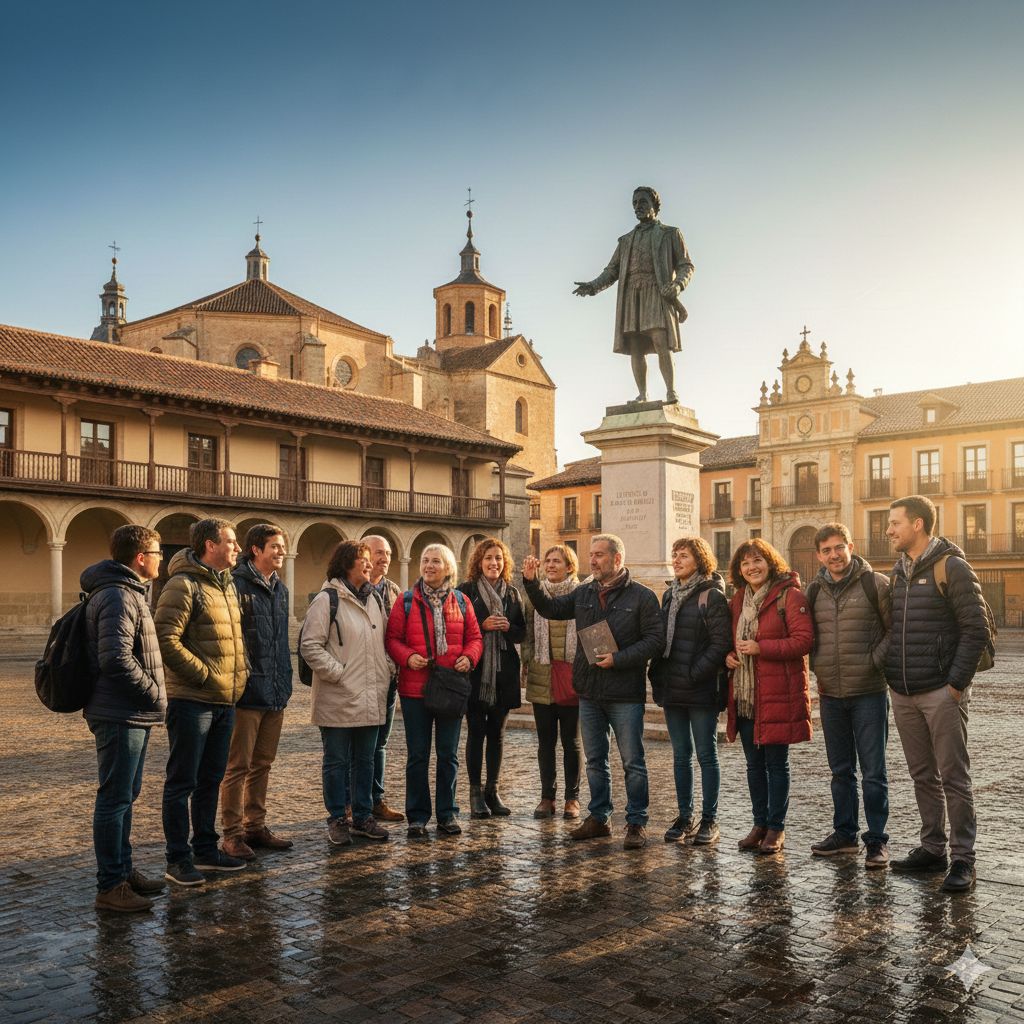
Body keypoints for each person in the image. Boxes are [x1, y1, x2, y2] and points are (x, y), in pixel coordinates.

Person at [522, 534, 663, 850]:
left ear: (617, 558)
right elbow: (551, 609)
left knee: (632, 761)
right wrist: (531, 583)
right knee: (595, 760)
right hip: (588, 691)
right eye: (591, 554)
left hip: (625, 692)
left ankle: (636, 822)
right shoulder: (583, 592)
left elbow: (655, 640)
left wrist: (619, 658)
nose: (593, 560)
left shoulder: (642, 596)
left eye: (599, 554)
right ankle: (599, 818)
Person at [884, 495, 989, 893]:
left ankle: (963, 859)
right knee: (921, 775)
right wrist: (890, 669)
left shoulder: (952, 566)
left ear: (918, 524)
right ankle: (933, 849)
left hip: (941, 693)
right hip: (904, 691)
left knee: (954, 778)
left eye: (895, 523)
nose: (889, 530)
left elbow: (975, 629)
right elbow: (893, 628)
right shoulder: (899, 571)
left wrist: (955, 686)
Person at [155, 518, 248, 885]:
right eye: (231, 541)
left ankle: (206, 850)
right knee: (182, 781)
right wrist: (206, 675)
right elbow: (166, 639)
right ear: (210, 545)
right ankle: (178, 859)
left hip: (224, 700)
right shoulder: (183, 585)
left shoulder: (225, 586)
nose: (237, 548)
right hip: (193, 700)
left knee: (211, 779)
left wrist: (241, 675)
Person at [82, 525, 167, 912]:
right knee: (114, 798)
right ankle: (110, 885)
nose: (161, 559)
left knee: (125, 796)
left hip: (129, 712)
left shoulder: (128, 592)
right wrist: (152, 693)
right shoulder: (118, 595)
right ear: (140, 557)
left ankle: (123, 870)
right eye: (158, 552)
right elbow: (115, 659)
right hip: (120, 712)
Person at [806, 524, 892, 869]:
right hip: (830, 694)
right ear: (819, 556)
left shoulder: (876, 584)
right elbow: (807, 634)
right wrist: (818, 666)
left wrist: (874, 661)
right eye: (826, 550)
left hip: (869, 692)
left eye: (839, 547)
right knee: (840, 771)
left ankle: (877, 842)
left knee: (874, 772)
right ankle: (844, 834)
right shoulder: (814, 591)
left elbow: (894, 630)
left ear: (851, 546)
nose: (834, 555)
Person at [386, 543, 483, 839]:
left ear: (448, 567)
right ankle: (417, 817)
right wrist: (406, 657)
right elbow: (392, 638)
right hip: (415, 690)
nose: (428, 565)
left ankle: (447, 813)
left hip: (450, 688)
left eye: (435, 561)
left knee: (448, 754)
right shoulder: (405, 601)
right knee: (417, 755)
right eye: (425, 560)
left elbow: (475, 637)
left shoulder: (462, 601)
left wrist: (469, 656)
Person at [724, 539, 813, 856]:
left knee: (776, 765)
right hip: (746, 695)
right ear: (739, 570)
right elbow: (729, 640)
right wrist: (729, 657)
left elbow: (803, 641)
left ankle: (776, 828)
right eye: (745, 563)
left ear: (770, 562)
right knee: (753, 766)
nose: (752, 567)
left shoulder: (789, 596)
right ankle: (759, 824)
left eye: (757, 560)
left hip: (777, 694)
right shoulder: (737, 600)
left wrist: (763, 648)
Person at [301, 540, 392, 845]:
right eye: (362, 560)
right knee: (336, 761)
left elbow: (383, 642)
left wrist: (388, 668)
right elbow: (310, 646)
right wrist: (338, 673)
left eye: (370, 559)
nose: (369, 564)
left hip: (369, 694)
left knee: (365, 760)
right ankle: (338, 818)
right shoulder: (327, 600)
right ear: (345, 564)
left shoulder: (374, 600)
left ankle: (363, 817)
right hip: (339, 695)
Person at [573, 185, 694, 404]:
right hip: (632, 294)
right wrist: (592, 287)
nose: (638, 207)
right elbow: (611, 271)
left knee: (660, 340)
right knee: (636, 346)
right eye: (635, 203)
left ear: (654, 206)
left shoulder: (670, 233)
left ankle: (671, 391)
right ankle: (642, 394)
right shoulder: (626, 240)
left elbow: (686, 265)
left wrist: (677, 285)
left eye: (643, 202)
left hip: (657, 292)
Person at [647, 537, 731, 847]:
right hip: (671, 688)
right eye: (675, 554)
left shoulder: (712, 595)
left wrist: (695, 672)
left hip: (701, 688)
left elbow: (721, 644)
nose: (677, 560)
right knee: (680, 756)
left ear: (700, 559)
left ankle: (710, 819)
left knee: (706, 755)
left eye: (684, 555)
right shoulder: (669, 594)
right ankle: (685, 815)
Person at [219, 524, 293, 861]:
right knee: (238, 765)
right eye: (275, 547)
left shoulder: (281, 589)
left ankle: (255, 825)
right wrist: (241, 681)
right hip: (247, 693)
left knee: (263, 763)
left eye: (282, 546)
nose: (280, 552)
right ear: (256, 550)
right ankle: (231, 834)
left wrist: (285, 681)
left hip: (275, 690)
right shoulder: (235, 585)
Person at [458, 537, 526, 819]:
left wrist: (508, 627)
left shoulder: (512, 594)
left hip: (504, 672)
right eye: (488, 558)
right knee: (475, 731)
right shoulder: (465, 591)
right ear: (479, 562)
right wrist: (481, 626)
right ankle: (475, 792)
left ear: (504, 562)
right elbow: (457, 628)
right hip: (475, 671)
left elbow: (522, 633)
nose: (493, 563)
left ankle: (492, 791)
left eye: (498, 558)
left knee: (497, 734)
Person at [522, 544, 584, 821]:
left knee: (571, 742)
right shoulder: (535, 596)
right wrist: (527, 664)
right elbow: (528, 636)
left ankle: (572, 798)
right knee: (545, 742)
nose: (551, 565)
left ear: (570, 566)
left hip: (572, 676)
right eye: (548, 560)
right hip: (542, 674)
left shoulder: (582, 595)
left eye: (557, 561)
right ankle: (547, 797)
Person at [361, 535, 404, 823]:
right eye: (378, 553)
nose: (384, 558)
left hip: (388, 679)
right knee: (357, 745)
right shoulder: (351, 588)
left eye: (388, 553)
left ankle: (376, 800)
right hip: (360, 679)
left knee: (380, 744)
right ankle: (354, 803)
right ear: (364, 555)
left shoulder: (394, 591)